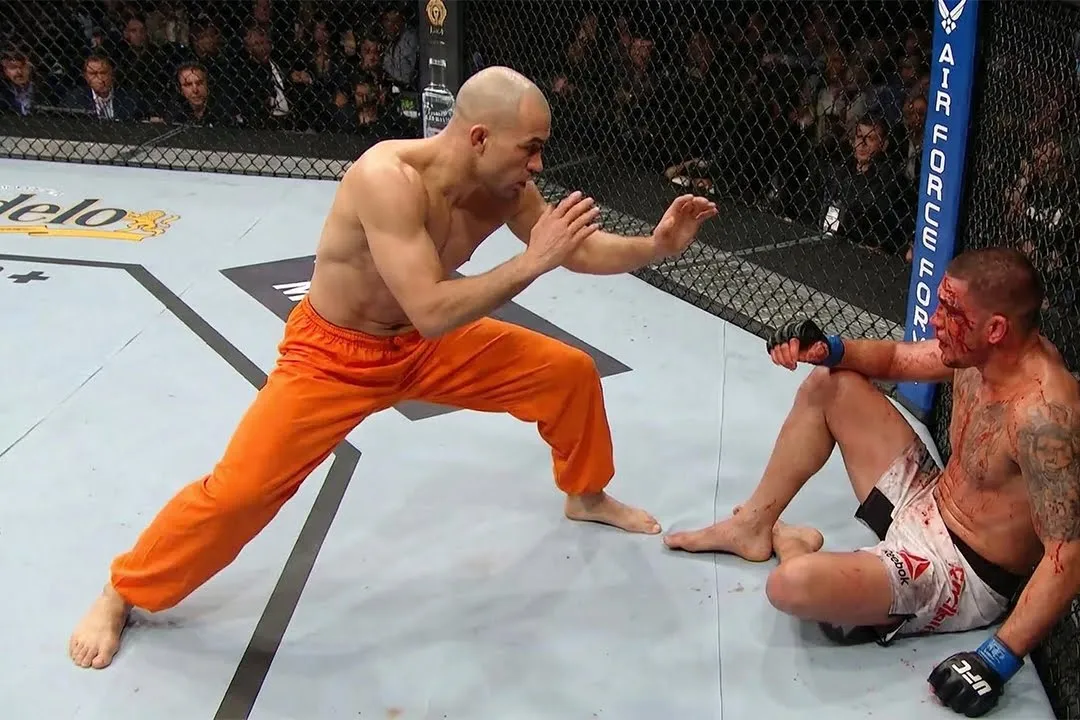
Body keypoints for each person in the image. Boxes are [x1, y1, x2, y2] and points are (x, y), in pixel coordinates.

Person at [69, 65, 719, 670]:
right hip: (335, 356)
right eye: (530, 148)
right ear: (480, 137)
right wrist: (530, 262)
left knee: (567, 372)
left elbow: (574, 251)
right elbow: (434, 308)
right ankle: (123, 590)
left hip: (421, 345)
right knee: (237, 494)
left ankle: (585, 493)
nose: (538, 164)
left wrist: (655, 246)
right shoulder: (387, 178)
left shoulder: (506, 186)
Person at [664, 247, 1080, 717]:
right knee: (831, 383)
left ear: (995, 329)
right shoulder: (978, 353)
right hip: (929, 498)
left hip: (958, 571)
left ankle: (796, 547)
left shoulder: (1045, 416)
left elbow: (1070, 556)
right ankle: (751, 526)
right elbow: (896, 358)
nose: (934, 321)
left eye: (949, 312)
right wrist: (828, 348)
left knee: (791, 585)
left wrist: (997, 659)